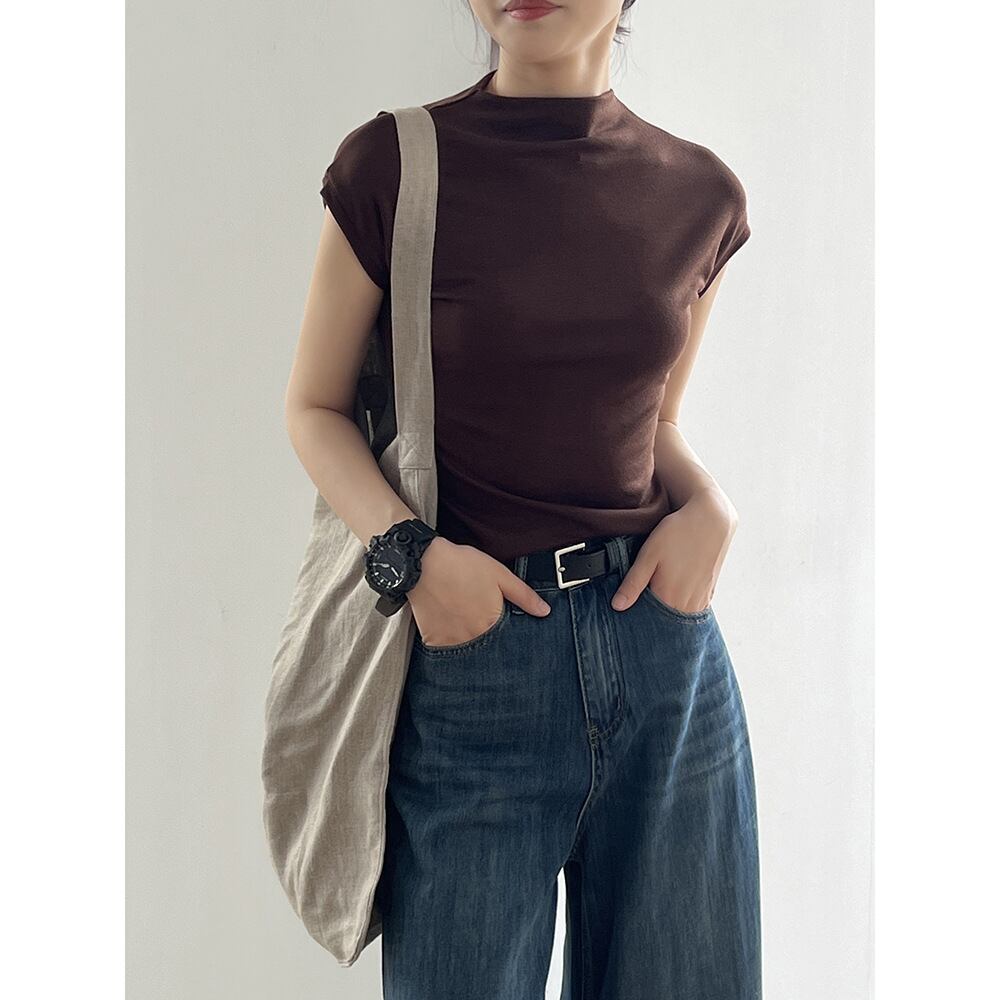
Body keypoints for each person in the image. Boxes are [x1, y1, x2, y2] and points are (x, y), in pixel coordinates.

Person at [284, 1, 760, 996]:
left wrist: (710, 505)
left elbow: (655, 423)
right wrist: (414, 560)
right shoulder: (393, 167)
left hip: (665, 663)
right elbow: (314, 408)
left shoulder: (701, 193)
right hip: (475, 665)